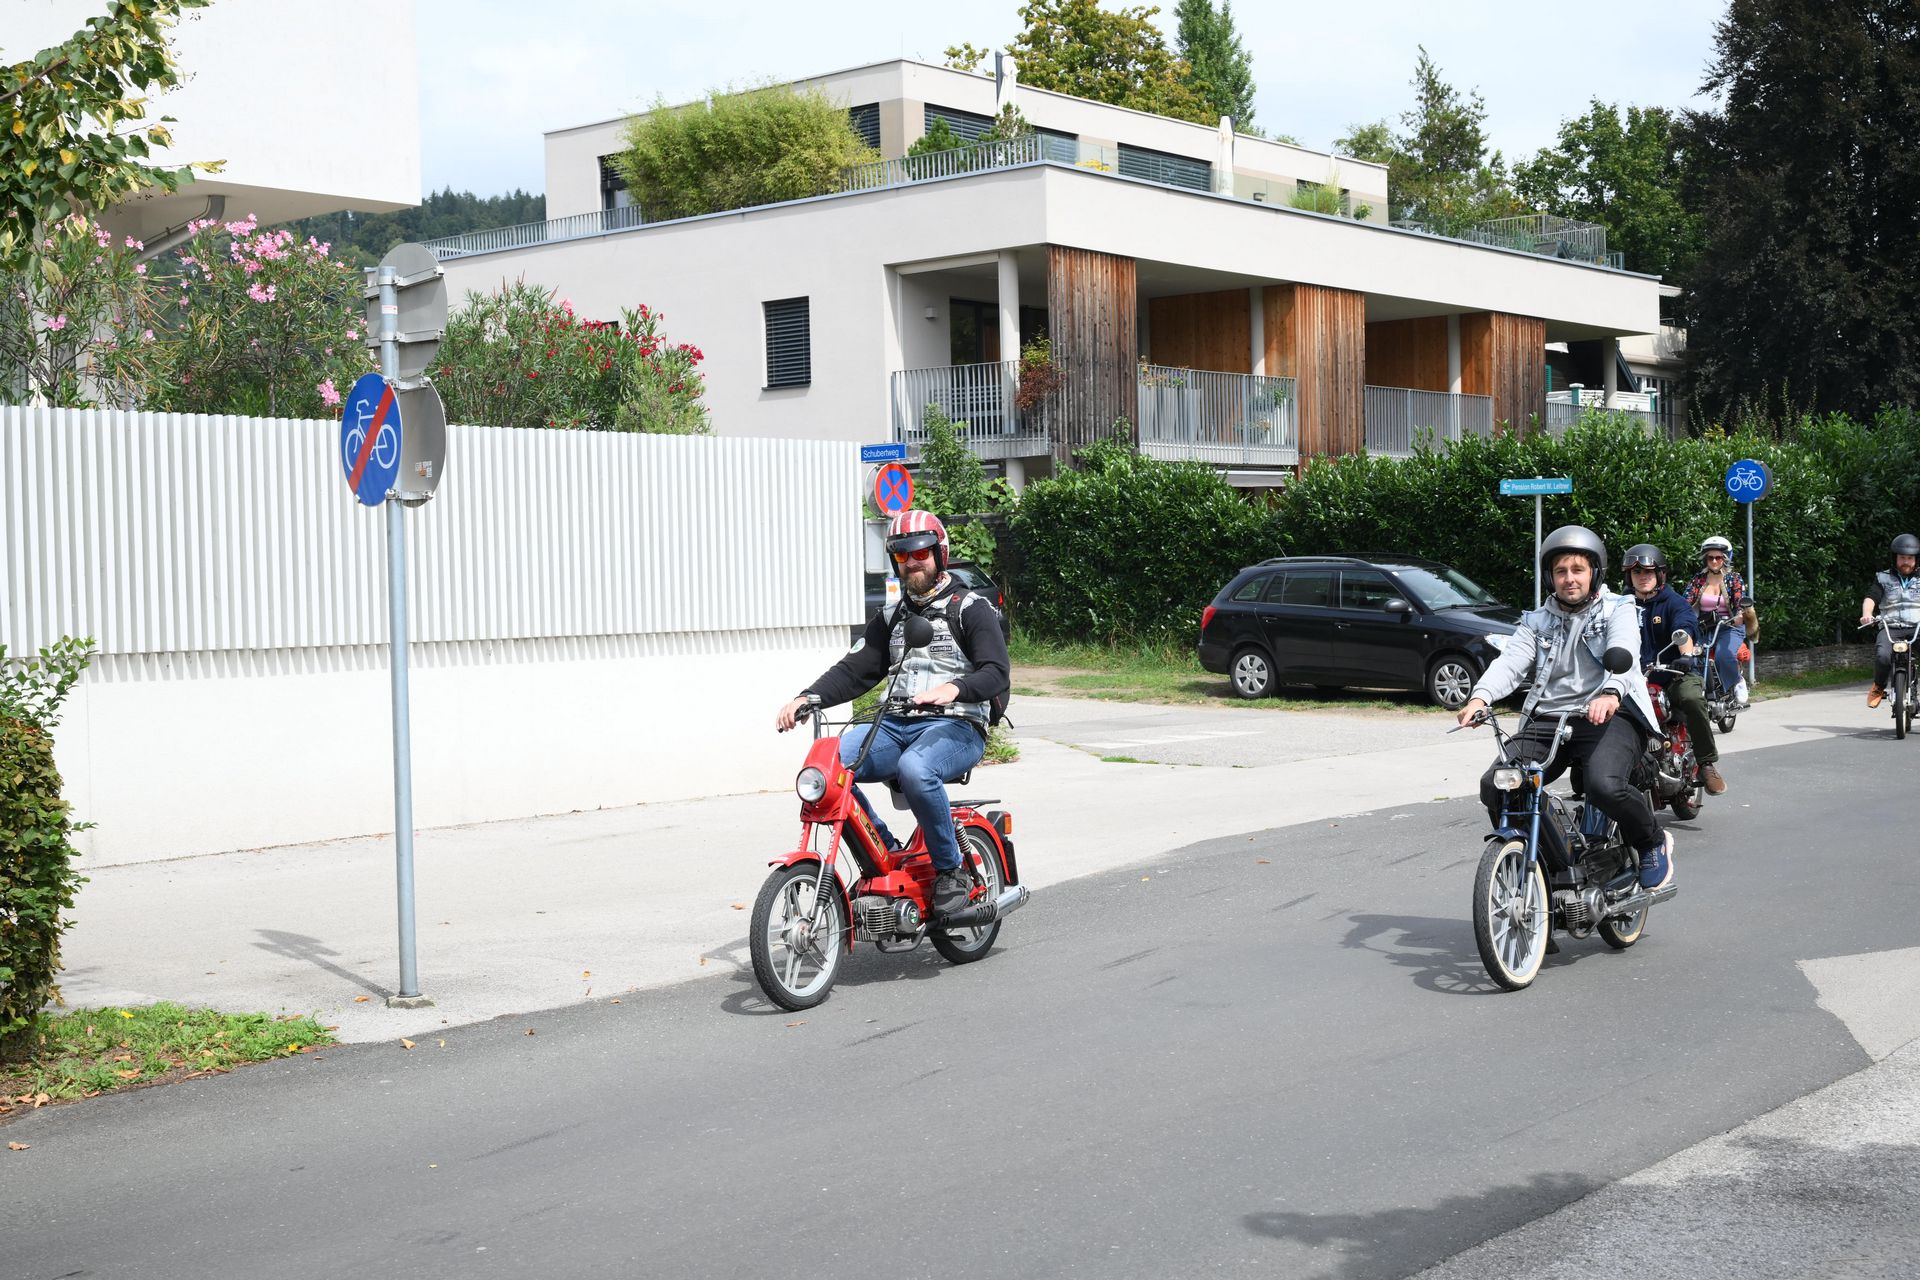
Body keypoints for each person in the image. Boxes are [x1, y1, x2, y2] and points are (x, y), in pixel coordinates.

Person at [774, 510, 1009, 917]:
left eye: (920, 553)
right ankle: (881, 851)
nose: (911, 562)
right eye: (902, 555)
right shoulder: (892, 616)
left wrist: (953, 688)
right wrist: (808, 697)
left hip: (956, 724)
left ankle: (951, 870)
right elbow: (856, 669)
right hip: (896, 723)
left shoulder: (971, 608)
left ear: (939, 553)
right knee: (830, 767)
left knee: (916, 769)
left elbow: (996, 672)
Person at [1456, 526, 1674, 892]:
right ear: (1550, 577)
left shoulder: (1618, 608)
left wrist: (1610, 693)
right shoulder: (1535, 621)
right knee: (1497, 785)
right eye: (1560, 571)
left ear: (1594, 573)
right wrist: (1480, 697)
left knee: (1603, 786)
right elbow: (1510, 663)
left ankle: (1651, 841)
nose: (1569, 578)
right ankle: (1542, 863)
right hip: (1550, 719)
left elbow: (1625, 651)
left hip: (1610, 714)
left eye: (1577, 569)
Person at [1623, 543, 1726, 795]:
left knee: (1691, 697)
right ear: (1629, 576)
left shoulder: (1673, 602)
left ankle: (1706, 763)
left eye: (1649, 571)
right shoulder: (1620, 605)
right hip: (1633, 679)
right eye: (1637, 572)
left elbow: (1684, 627)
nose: (1643, 576)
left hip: (1673, 673)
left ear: (1660, 574)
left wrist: (1686, 654)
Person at [1684, 535, 1750, 708]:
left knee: (1724, 655)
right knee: (1692, 657)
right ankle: (1698, 692)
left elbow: (1739, 600)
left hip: (1729, 627)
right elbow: (1686, 601)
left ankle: (1737, 681)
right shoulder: (1698, 579)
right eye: (1710, 557)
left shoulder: (1734, 579)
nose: (1714, 561)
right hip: (1704, 627)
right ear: (1705, 559)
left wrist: (1740, 614)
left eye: (1718, 557)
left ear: (1725, 558)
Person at [1860, 533, 1920, 708]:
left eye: (1910, 558)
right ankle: (1878, 687)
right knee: (1883, 656)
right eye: (1902, 558)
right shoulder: (1883, 578)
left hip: (1917, 626)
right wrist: (1867, 614)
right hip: (1890, 626)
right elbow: (1871, 598)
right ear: (1895, 558)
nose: (1906, 562)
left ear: (1916, 559)